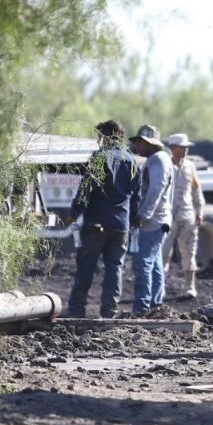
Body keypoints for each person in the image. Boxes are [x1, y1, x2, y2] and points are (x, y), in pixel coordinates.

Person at [65, 120, 139, 318]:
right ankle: (110, 311)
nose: (98, 141)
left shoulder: (99, 159)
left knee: (86, 266)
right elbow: (136, 194)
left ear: (106, 137)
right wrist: (133, 219)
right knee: (115, 268)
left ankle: (76, 309)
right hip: (121, 226)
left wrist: (74, 212)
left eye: (100, 136)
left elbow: (86, 189)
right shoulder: (131, 160)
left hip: (96, 224)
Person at [129, 125, 174, 316]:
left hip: (153, 221)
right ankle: (155, 306)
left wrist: (143, 214)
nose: (137, 145)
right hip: (158, 220)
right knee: (154, 264)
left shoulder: (158, 160)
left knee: (143, 264)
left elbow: (156, 189)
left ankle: (141, 308)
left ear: (150, 143)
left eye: (140, 142)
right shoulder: (157, 160)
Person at [162, 133, 205, 300]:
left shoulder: (190, 167)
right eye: (182, 147)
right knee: (164, 253)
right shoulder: (165, 166)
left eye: (186, 147)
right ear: (172, 148)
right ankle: (161, 287)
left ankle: (190, 286)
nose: (185, 150)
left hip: (187, 215)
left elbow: (196, 190)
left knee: (189, 251)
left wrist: (199, 211)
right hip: (168, 216)